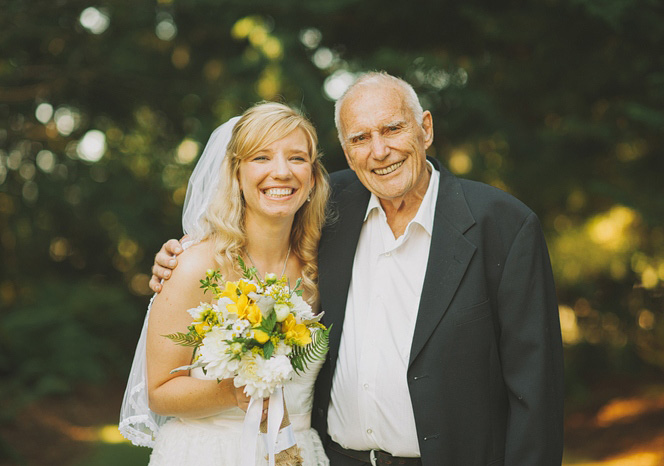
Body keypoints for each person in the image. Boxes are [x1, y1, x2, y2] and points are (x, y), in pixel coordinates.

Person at [151, 72, 564, 465]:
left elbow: (536, 390)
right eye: (360, 138)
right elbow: (254, 226)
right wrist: (179, 257)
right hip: (335, 459)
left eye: (392, 129)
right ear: (346, 153)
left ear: (426, 129)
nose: (379, 151)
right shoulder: (329, 212)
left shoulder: (503, 225)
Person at [120, 102, 331, 465]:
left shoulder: (320, 266)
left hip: (298, 453)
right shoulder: (195, 265)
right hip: (207, 453)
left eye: (297, 158)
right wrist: (233, 393)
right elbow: (158, 392)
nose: (281, 172)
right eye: (261, 158)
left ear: (312, 178)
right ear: (236, 174)